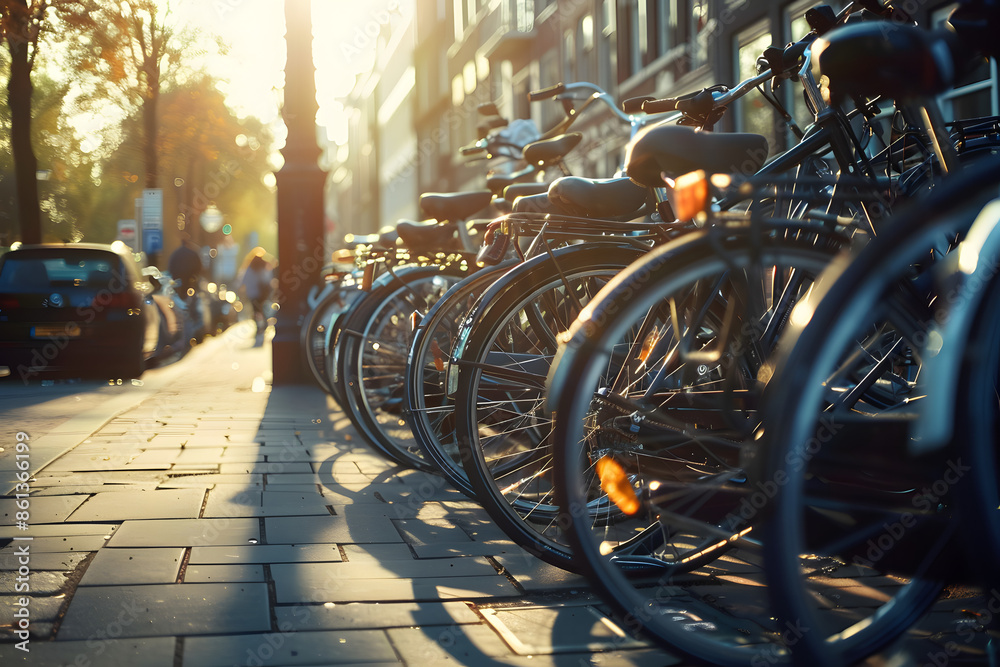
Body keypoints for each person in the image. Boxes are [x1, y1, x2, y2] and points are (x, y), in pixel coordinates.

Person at [238, 251, 273, 335]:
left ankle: (258, 326)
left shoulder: (248, 269)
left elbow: (242, 281)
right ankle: (264, 324)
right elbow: (267, 280)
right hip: (261, 294)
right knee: (262, 310)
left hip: (252, 294)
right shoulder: (262, 268)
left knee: (255, 311)